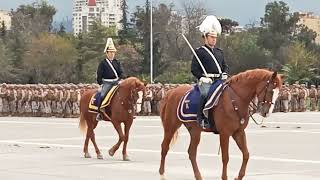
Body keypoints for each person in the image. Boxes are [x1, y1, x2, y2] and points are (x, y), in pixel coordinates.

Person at [191, 15, 229, 129]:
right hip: (206, 80)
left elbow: (225, 66)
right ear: (205, 37)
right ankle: (201, 117)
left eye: (215, 37)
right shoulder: (199, 52)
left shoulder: (219, 52)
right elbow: (194, 69)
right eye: (211, 37)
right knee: (205, 94)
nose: (214, 39)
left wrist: (225, 73)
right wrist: (201, 77)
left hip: (218, 80)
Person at [96, 38, 124, 121]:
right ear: (107, 53)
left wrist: (120, 79)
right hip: (107, 82)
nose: (112, 54)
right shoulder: (103, 63)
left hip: (116, 82)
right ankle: (100, 112)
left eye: (113, 52)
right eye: (110, 52)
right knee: (102, 95)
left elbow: (121, 72)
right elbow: (99, 74)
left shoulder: (117, 62)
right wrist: (100, 83)